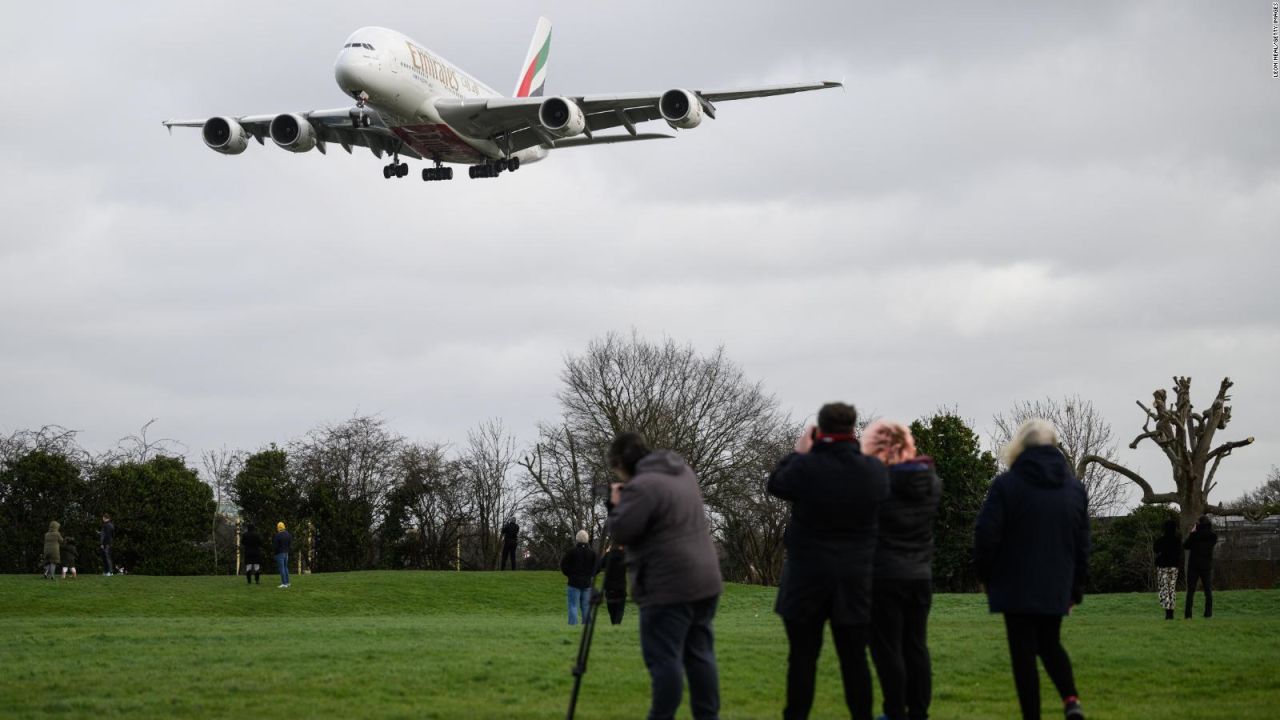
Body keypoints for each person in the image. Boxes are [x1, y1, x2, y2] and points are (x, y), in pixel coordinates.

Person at [767, 402, 888, 720]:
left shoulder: (806, 468)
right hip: (855, 579)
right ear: (853, 429)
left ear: (819, 430)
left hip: (806, 578)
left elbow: (776, 483)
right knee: (855, 661)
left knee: (803, 660)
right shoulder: (873, 471)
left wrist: (799, 452)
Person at [974, 419, 1088, 720]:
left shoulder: (1006, 485)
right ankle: (1071, 699)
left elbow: (986, 535)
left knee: (1023, 653)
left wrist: (985, 575)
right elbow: (1082, 545)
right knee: (1050, 643)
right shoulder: (1075, 490)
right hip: (1057, 581)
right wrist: (1075, 589)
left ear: (1019, 446)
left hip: (1014, 583)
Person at [608, 432, 722, 720]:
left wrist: (616, 505)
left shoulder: (642, 487)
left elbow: (622, 532)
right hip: (705, 579)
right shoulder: (683, 472)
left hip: (667, 585)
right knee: (700, 656)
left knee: (664, 660)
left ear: (621, 463)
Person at [862, 420, 941, 720]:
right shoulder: (930, 482)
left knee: (886, 648)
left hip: (883, 575)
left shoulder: (878, 485)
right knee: (915, 644)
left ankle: (894, 711)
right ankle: (918, 711)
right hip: (919, 574)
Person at [1183, 515, 1218, 619]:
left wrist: (1192, 532)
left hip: (1193, 566)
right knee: (1208, 591)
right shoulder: (1213, 536)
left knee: (1190, 591)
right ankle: (1208, 614)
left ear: (1198, 524)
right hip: (1206, 566)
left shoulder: (1194, 535)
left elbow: (1185, 546)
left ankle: (1188, 615)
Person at [560, 530, 596, 625]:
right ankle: (587, 625)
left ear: (577, 539)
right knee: (586, 606)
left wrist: (569, 575)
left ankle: (573, 625)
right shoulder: (592, 553)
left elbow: (563, 566)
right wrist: (591, 575)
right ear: (587, 539)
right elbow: (598, 567)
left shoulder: (571, 552)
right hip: (587, 583)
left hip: (573, 582)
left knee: (573, 605)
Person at [1152, 519, 1182, 620]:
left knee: (1164, 589)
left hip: (1163, 567)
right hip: (1174, 567)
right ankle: (1171, 611)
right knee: (1172, 588)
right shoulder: (1178, 540)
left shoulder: (1161, 540)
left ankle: (1167, 612)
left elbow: (1155, 549)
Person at [602, 543, 628, 625]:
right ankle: (617, 624)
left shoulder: (608, 556)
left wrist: (606, 553)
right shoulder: (625, 555)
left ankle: (614, 624)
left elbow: (600, 565)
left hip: (609, 587)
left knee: (611, 609)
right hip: (621, 587)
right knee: (620, 609)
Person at [273, 521, 292, 589]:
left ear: (278, 527)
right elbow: (290, 544)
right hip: (286, 553)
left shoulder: (277, 535)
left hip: (280, 553)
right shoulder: (288, 534)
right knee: (286, 567)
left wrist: (275, 554)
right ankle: (288, 582)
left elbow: (275, 546)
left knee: (282, 568)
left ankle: (284, 583)